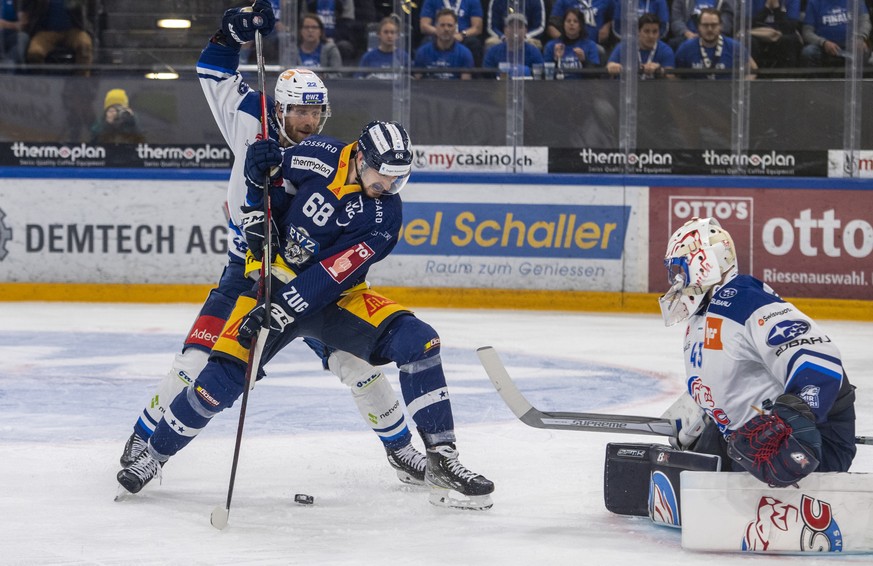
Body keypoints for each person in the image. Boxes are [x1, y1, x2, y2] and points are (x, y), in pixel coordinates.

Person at [119, 0, 428, 490]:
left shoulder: (328, 155)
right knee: (197, 361)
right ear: (280, 107)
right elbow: (212, 69)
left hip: (312, 282)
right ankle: (144, 440)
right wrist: (230, 33)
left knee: (358, 366)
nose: (308, 120)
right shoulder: (250, 116)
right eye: (300, 110)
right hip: (247, 269)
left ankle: (403, 451)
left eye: (316, 111)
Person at [118, 121, 496, 511]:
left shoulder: (385, 218)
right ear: (361, 157)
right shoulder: (317, 153)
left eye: (397, 182)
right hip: (269, 285)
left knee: (420, 341)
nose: (387, 189)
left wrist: (280, 308)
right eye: (382, 179)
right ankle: (154, 454)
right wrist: (256, 179)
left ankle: (441, 456)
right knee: (221, 378)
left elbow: (332, 274)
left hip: (336, 299)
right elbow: (272, 186)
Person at [658, 217, 856, 487]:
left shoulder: (743, 299)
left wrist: (800, 418)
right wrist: (700, 412)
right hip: (750, 438)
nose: (675, 281)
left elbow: (817, 357)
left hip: (815, 437)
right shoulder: (699, 318)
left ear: (705, 263)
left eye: (680, 271)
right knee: (685, 478)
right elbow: (727, 378)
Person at [674, 8, 756, 79]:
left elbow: (753, 70)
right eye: (705, 25)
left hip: (726, 94)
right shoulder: (686, 48)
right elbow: (675, 76)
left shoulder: (734, 46)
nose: (709, 29)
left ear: (720, 26)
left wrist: (739, 90)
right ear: (699, 27)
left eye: (714, 25)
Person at [19, 0, 94, 74]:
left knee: (85, 45)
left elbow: (89, 6)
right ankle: (41, 82)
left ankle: (81, 80)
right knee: (34, 53)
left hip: (73, 30)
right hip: (46, 32)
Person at [800, 0, 871, 69]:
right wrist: (824, 42)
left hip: (851, 44)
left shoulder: (856, 1)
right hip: (823, 46)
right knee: (808, 52)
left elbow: (865, 22)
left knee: (863, 50)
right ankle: (816, 80)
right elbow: (807, 32)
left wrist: (860, 37)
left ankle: (858, 80)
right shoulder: (814, 2)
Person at [413, 8, 475, 79]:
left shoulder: (465, 54)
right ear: (436, 26)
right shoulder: (422, 52)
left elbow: (466, 85)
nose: (446, 29)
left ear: (455, 28)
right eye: (442, 25)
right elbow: (417, 82)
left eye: (450, 25)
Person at [606, 13, 674, 78]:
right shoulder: (624, 47)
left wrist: (660, 71)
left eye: (655, 31)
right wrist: (613, 67)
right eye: (646, 31)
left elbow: (672, 79)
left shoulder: (666, 50)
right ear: (638, 32)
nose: (651, 36)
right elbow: (610, 66)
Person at [418, 0, 484, 65]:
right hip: (437, 35)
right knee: (426, 42)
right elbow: (424, 26)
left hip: (463, 36)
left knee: (474, 43)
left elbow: (477, 28)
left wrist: (462, 34)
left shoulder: (473, 1)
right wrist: (440, 32)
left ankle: (475, 75)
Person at [483, 12, 545, 78]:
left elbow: (541, 74)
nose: (515, 30)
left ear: (525, 31)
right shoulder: (493, 51)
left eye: (519, 27)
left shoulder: (533, 51)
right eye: (511, 27)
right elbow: (486, 75)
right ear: (505, 30)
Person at [543, 7, 600, 78]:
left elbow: (595, 75)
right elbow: (545, 75)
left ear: (581, 26)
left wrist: (583, 61)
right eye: (568, 21)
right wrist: (556, 59)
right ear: (563, 25)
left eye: (575, 21)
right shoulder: (551, 46)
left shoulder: (590, 45)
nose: (571, 24)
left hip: (583, 87)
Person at [546, 0, 615, 58]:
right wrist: (566, 42)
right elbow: (551, 27)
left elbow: (617, 17)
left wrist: (608, 25)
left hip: (595, 45)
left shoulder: (607, 1)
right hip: (568, 48)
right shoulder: (564, 1)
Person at [750, 0, 802, 69]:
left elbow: (790, 28)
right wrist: (767, 9)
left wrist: (776, 9)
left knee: (788, 40)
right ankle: (753, 75)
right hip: (758, 34)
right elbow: (749, 24)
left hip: (781, 34)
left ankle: (785, 77)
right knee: (749, 40)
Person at [669, 0, 735, 50]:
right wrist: (687, 33)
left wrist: (711, 33)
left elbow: (726, 22)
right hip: (687, 37)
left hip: (715, 36)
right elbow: (676, 21)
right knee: (673, 44)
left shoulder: (725, 1)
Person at [1, 0, 28, 64]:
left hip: (14, 34)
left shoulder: (19, 2)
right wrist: (14, 24)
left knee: (23, 37)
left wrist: (3, 24)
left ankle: (11, 67)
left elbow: (22, 25)